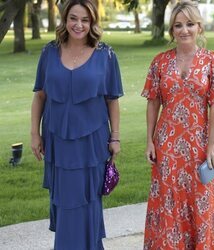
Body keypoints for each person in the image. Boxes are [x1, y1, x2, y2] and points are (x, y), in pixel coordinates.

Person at [141, 1, 214, 249]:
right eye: (178, 25)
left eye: (190, 24)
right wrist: (149, 140)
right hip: (167, 148)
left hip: (199, 148)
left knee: (200, 201)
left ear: (200, 27)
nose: (184, 30)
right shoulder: (159, 62)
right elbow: (153, 102)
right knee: (168, 204)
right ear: (172, 30)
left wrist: (213, 143)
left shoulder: (211, 61)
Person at [30, 0, 123, 249]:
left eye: (85, 19)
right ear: (64, 19)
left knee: (88, 200)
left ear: (92, 22)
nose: (78, 25)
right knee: (64, 201)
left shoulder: (106, 54)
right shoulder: (49, 52)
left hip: (92, 143)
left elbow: (112, 101)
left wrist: (115, 138)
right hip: (57, 141)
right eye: (73, 18)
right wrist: (34, 135)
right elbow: (40, 95)